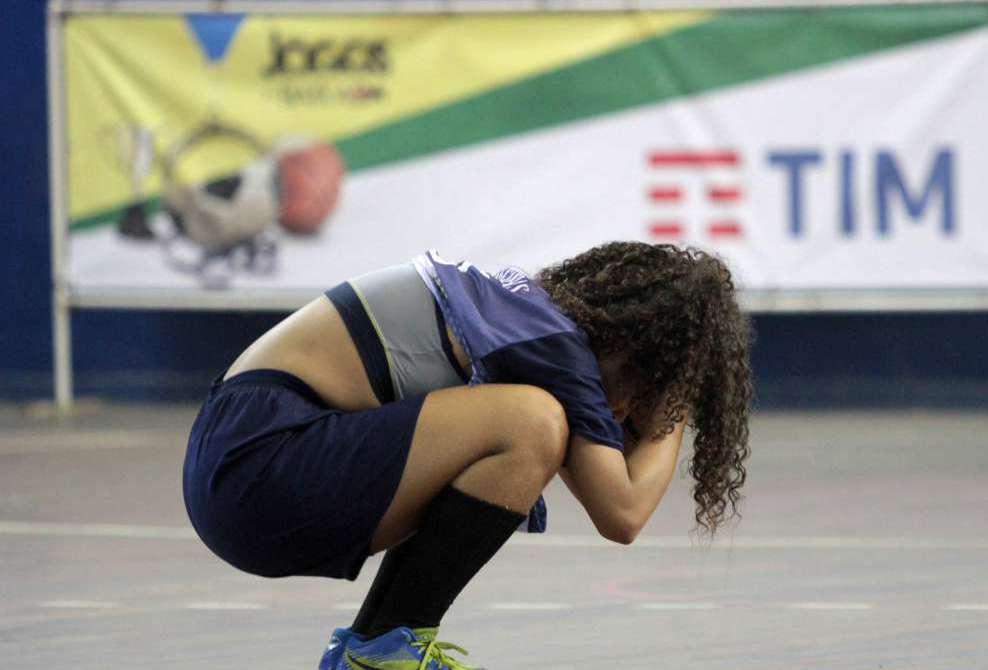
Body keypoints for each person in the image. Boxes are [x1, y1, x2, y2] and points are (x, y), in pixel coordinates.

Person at [181, 241, 753, 669]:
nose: (627, 415)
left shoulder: (524, 322)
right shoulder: (552, 347)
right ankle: (387, 650)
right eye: (644, 392)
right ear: (633, 349)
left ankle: (381, 648)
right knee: (533, 423)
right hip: (258, 467)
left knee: (532, 428)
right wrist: (675, 410)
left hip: (243, 463)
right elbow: (621, 514)